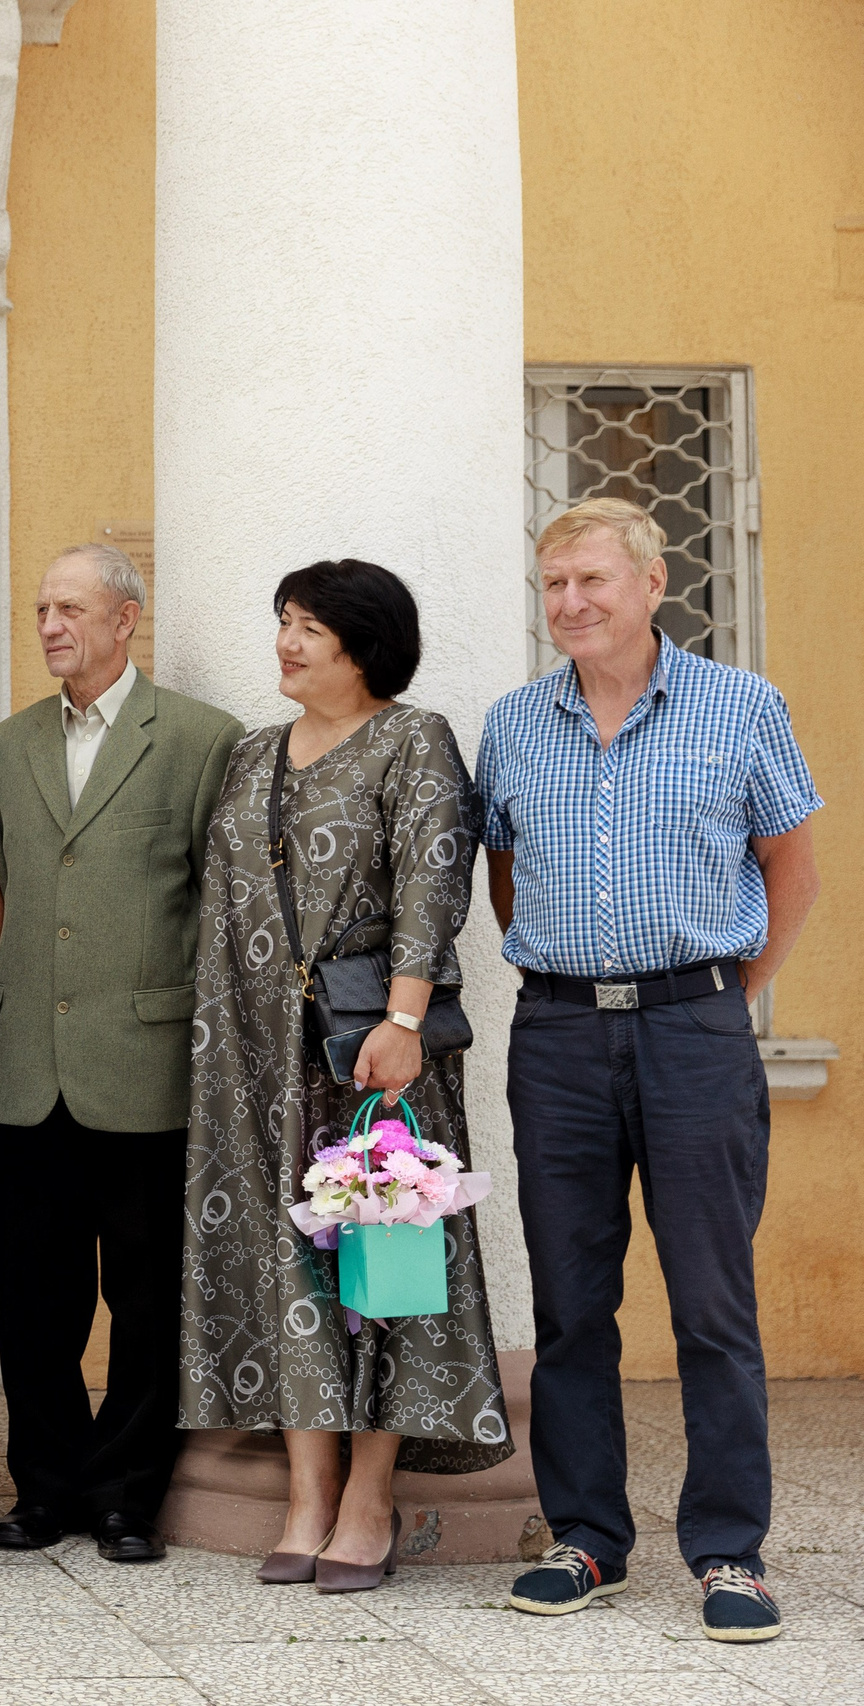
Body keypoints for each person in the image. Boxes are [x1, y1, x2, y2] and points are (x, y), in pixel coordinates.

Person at [478, 498, 820, 1643]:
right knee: (573, 1305)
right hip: (560, 1035)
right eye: (552, 587)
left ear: (651, 581)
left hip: (694, 1030)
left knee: (713, 1304)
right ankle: (586, 1537)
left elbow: (790, 872)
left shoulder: (741, 705)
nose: (570, 604)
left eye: (589, 581)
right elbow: (507, 879)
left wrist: (719, 999)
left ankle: (731, 1551)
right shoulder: (515, 722)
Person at [177, 560, 512, 1594]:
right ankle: (306, 1492)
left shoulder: (414, 739)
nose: (285, 641)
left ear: (363, 644)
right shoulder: (247, 754)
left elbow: (430, 883)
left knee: (382, 1267)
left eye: (309, 627)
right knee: (284, 1268)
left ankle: (370, 1497)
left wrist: (406, 1019)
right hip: (253, 1056)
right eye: (281, 620)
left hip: (368, 1050)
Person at [0, 543, 241, 1564]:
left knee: (145, 1297)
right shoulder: (7, 745)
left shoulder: (198, 738)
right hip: (28, 1064)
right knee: (35, 1298)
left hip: (146, 1061)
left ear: (124, 619)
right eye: (42, 606)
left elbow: (220, 908)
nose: (50, 624)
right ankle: (44, 1487)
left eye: (71, 608)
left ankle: (130, 1493)